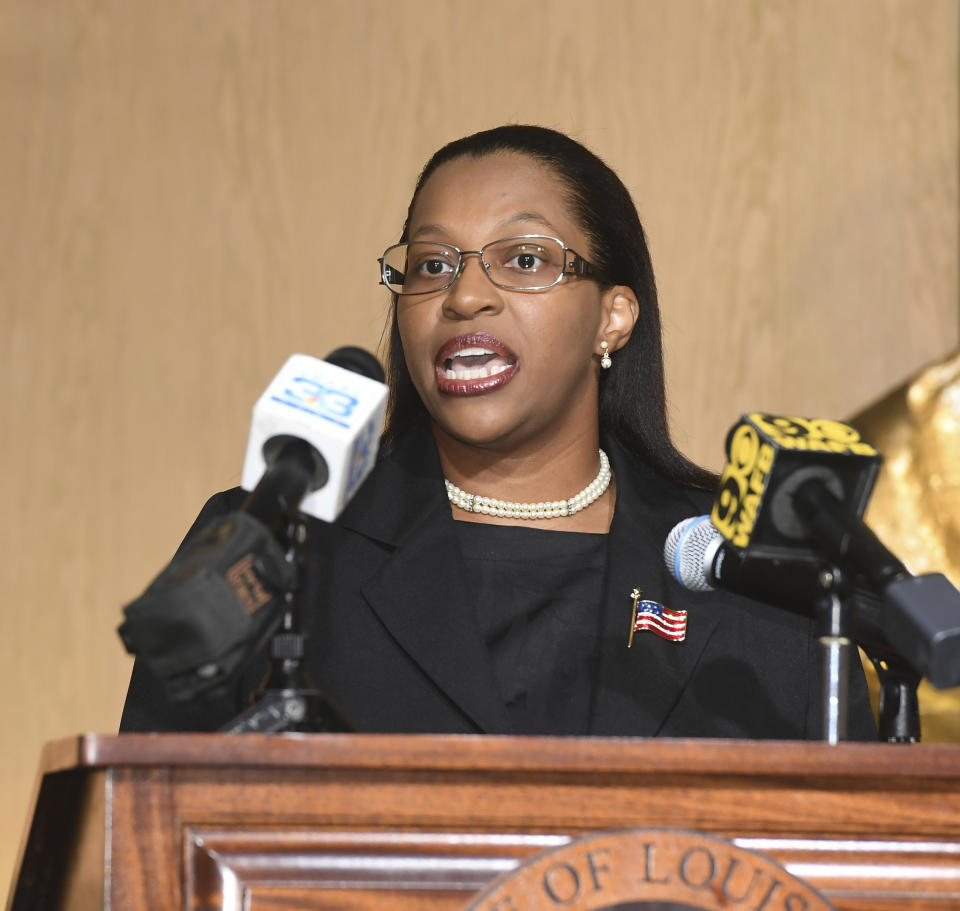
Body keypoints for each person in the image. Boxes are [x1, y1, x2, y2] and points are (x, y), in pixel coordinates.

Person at [120, 125, 876, 739]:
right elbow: (143, 837)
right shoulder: (278, 540)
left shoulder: (752, 578)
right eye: (430, 264)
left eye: (522, 258)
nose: (464, 295)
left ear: (612, 317)